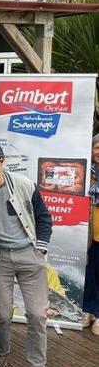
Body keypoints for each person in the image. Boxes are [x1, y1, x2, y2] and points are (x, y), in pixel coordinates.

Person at [0, 142, 56, 367]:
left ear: (3, 161)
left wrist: (40, 249)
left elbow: (44, 217)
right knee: (1, 313)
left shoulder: (23, 183)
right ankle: (1, 353)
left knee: (37, 314)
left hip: (29, 254)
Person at [85, 134, 99, 334]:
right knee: (88, 272)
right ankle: (87, 309)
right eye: (96, 147)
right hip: (89, 233)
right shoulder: (88, 171)